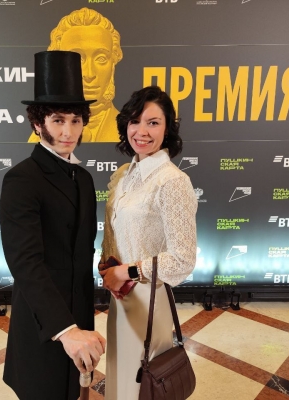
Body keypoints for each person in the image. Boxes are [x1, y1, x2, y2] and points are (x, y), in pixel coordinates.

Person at [0, 51, 106, 400]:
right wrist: (65, 329)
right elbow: (25, 263)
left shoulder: (85, 178)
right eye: (58, 120)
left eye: (76, 120)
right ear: (37, 123)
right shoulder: (22, 179)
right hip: (43, 321)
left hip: (81, 313)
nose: (68, 131)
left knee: (74, 392)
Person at [99, 86, 198, 399]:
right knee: (121, 381)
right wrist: (109, 268)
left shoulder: (173, 181)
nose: (141, 131)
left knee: (144, 387)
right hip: (121, 298)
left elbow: (183, 259)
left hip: (149, 300)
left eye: (153, 123)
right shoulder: (125, 175)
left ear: (167, 129)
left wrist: (126, 272)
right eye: (134, 121)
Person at [28, 7, 123, 143]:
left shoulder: (127, 131)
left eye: (100, 58)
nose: (89, 74)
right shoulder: (37, 140)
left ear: (113, 64)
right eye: (77, 60)